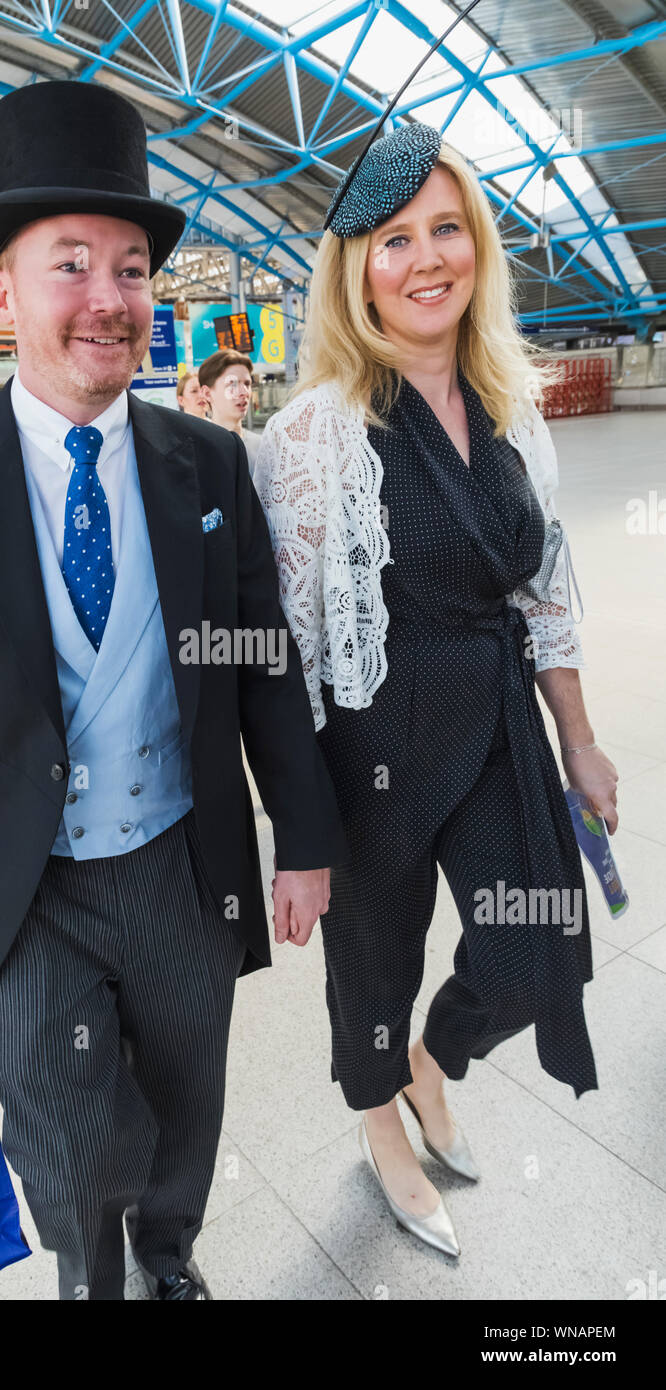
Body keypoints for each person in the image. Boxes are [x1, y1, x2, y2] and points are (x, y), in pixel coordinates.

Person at [0, 80, 347, 1302]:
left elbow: (261, 666)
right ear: (1, 293)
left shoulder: (208, 463)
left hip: (182, 863)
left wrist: (301, 836)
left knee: (188, 1105)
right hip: (29, 890)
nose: (107, 298)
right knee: (64, 1133)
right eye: (68, 263)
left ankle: (170, 1260)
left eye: (130, 268)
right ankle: (93, 1274)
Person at [254, 123, 618, 1258]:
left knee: (533, 944)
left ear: (477, 249)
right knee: (374, 958)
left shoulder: (508, 404)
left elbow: (543, 586)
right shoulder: (315, 431)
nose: (424, 260)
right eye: (393, 238)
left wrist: (580, 738)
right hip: (375, 740)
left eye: (445, 230)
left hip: (497, 717)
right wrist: (298, 833)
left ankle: (429, 1056)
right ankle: (379, 1113)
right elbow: (291, 652)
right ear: (355, 268)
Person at [198, 349, 262, 477]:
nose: (244, 392)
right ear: (207, 393)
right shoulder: (196, 451)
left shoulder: (263, 447)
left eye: (247, 384)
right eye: (232, 384)